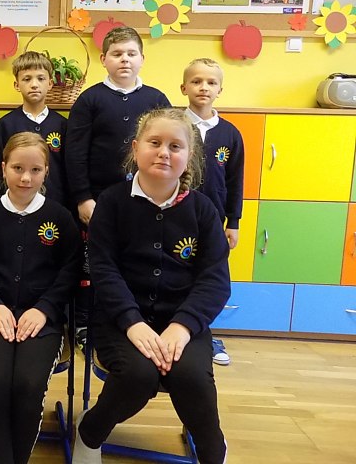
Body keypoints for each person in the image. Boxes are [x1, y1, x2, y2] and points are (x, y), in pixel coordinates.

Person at [72, 108, 230, 464]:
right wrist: (133, 323)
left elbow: (215, 280)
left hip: (181, 323)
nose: (164, 153)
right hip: (119, 320)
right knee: (137, 375)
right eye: (154, 143)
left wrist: (182, 326)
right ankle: (90, 433)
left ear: (189, 155)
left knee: (192, 378)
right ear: (135, 148)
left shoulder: (203, 210)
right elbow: (104, 270)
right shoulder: (112, 203)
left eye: (175, 146)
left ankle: (212, 451)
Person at [0, 132, 81, 464]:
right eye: (17, 168)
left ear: (46, 171)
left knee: (29, 383)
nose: (26, 178)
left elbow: (70, 271)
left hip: (43, 320)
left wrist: (44, 309)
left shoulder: (61, 218)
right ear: (3, 168)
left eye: (35, 170)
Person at [65, 26, 170, 345]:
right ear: (104, 59)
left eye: (131, 53)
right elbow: (75, 152)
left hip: (145, 201)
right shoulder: (90, 99)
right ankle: (85, 325)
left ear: (142, 59)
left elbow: (169, 147)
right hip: (98, 201)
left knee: (137, 262)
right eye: (117, 54)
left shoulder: (156, 99)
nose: (124, 59)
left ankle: (135, 322)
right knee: (93, 264)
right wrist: (83, 198)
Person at [181, 58, 244, 367]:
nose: (203, 87)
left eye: (211, 82)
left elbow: (235, 180)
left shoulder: (230, 134)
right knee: (178, 273)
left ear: (220, 89)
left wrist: (233, 221)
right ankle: (176, 329)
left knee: (209, 276)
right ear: (184, 88)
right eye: (196, 81)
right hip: (177, 216)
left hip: (213, 221)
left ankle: (204, 333)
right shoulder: (175, 126)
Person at [0, 51, 69, 207]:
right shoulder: (6, 124)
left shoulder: (62, 124)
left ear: (50, 83)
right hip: (14, 204)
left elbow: (68, 168)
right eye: (27, 79)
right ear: (17, 85)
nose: (34, 84)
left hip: (55, 203)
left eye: (40, 78)